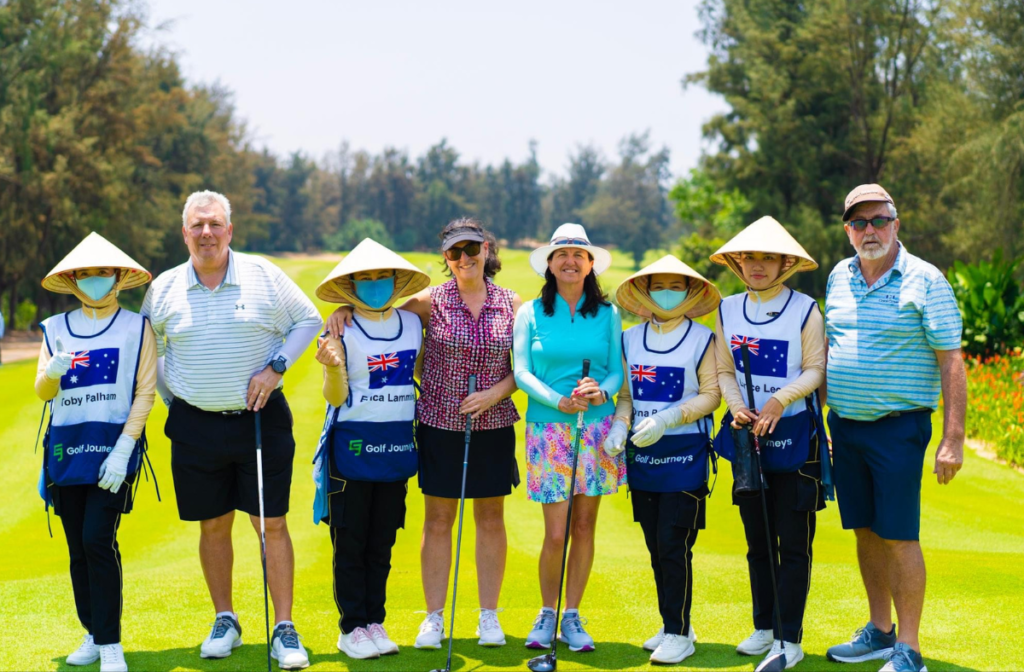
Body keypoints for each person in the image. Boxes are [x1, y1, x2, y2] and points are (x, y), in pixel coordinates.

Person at [141, 190, 322, 670]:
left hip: (260, 421)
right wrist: (173, 396)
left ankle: (284, 628)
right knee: (213, 524)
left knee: (272, 524)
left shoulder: (263, 274)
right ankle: (226, 618)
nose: (206, 233)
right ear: (185, 232)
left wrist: (277, 367)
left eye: (215, 224)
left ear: (230, 230)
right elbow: (148, 349)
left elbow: (308, 319)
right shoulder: (163, 288)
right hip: (195, 425)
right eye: (197, 225)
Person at [326, 217, 523, 649]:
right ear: (445, 259)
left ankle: (488, 616)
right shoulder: (430, 301)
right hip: (438, 424)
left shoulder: (512, 303)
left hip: (493, 423)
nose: (464, 258)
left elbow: (523, 369)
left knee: (490, 518)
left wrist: (493, 394)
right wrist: (343, 309)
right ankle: (434, 618)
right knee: (438, 520)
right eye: (454, 252)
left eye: (472, 249)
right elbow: (379, 317)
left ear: (487, 250)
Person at [823, 185, 966, 672]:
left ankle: (910, 649)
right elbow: (830, 350)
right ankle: (880, 631)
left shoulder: (926, 279)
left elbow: (951, 360)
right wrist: (824, 417)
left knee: (899, 535)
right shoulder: (838, 277)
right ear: (847, 230)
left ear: (896, 224)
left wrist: (952, 438)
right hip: (845, 426)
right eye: (859, 223)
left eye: (878, 221)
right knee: (864, 530)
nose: (870, 231)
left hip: (899, 428)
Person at [710, 216, 829, 671]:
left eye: (767, 257)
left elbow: (816, 368)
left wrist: (779, 400)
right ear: (738, 263)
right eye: (749, 257)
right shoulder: (727, 308)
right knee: (757, 540)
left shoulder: (805, 309)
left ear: (785, 263)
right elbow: (723, 370)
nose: (757, 265)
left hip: (795, 437)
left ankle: (790, 637)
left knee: (794, 543)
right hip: (747, 440)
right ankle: (764, 628)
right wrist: (738, 406)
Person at [34, 232, 157, 672]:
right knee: (76, 547)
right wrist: (52, 372)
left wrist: (125, 447)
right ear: (73, 280)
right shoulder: (56, 329)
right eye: (85, 274)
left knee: (96, 540)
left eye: (102, 273)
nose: (94, 280)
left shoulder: (136, 327)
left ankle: (110, 643)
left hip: (113, 448)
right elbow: (42, 392)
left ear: (118, 278)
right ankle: (91, 631)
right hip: (67, 448)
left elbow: (145, 391)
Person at [311, 238, 430, 660]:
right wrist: (334, 365)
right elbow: (335, 396)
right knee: (351, 541)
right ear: (351, 285)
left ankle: (375, 621)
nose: (376, 284)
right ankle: (351, 628)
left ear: (397, 281)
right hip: (352, 447)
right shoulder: (338, 328)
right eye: (366, 278)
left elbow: (451, 291)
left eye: (383, 277)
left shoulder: (413, 321)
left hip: (396, 447)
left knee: (382, 541)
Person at [604, 255, 722, 665]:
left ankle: (678, 632)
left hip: (685, 452)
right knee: (656, 546)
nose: (667, 293)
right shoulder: (629, 339)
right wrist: (620, 427)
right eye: (659, 286)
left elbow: (711, 395)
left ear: (691, 293)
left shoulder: (702, 339)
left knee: (674, 544)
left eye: (677, 286)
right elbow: (625, 397)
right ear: (645, 291)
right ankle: (676, 622)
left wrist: (671, 416)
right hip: (644, 457)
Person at [513, 223, 624, 653]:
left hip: (595, 427)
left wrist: (603, 391)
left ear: (591, 263)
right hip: (549, 428)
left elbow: (616, 368)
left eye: (579, 253)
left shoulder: (608, 313)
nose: (570, 260)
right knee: (556, 532)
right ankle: (547, 613)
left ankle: (572, 614)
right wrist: (558, 401)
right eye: (562, 254)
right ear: (549, 263)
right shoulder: (531, 312)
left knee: (583, 526)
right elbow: (522, 371)